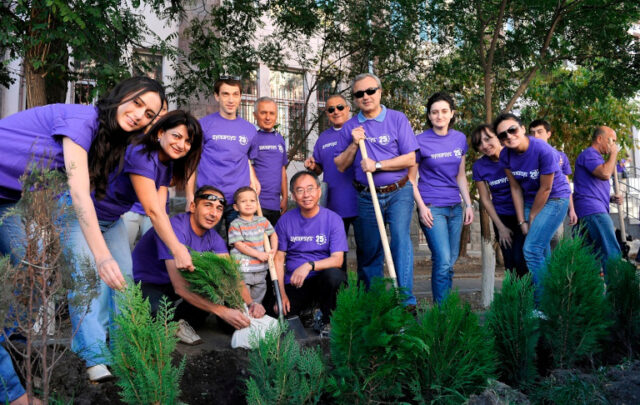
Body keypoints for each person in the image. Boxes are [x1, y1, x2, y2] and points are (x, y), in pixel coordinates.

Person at [68, 110, 202, 381]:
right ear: (160, 132)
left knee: (123, 283)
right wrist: (177, 248)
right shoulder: (142, 153)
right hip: (81, 215)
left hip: (111, 219)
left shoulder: (166, 165)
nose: (181, 144)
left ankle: (122, 352)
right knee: (89, 282)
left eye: (188, 142)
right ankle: (93, 358)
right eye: (177, 136)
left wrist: (175, 246)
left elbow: (161, 210)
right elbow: (152, 210)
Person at [133, 186, 265, 345]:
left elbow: (232, 276)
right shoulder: (174, 228)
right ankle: (169, 325)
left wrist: (250, 303)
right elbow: (180, 287)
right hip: (147, 284)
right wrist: (221, 311)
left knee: (217, 299)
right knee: (159, 310)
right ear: (193, 206)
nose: (213, 213)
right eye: (208, 205)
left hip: (181, 285)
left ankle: (177, 324)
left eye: (219, 208)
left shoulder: (214, 238)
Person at [334, 73, 418, 306]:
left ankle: (406, 302)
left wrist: (377, 165)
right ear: (355, 99)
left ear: (380, 92)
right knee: (370, 249)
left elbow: (410, 158)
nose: (366, 96)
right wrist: (353, 144)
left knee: (400, 241)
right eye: (359, 94)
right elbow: (341, 165)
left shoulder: (397, 119)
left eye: (370, 91)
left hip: (399, 191)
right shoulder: (350, 126)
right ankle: (373, 304)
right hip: (367, 196)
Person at [496, 113, 571, 301]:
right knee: (542, 252)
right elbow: (515, 187)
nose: (509, 136)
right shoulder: (505, 154)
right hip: (530, 200)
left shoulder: (542, 150)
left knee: (531, 249)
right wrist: (522, 219)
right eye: (503, 135)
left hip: (555, 198)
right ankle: (555, 298)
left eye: (512, 130)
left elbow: (546, 188)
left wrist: (533, 216)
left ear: (522, 129)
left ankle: (541, 305)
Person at [409, 92, 473, 303]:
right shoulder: (419, 140)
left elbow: (461, 175)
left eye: (444, 111)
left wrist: (469, 204)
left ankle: (445, 307)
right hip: (432, 206)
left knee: (450, 261)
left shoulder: (460, 138)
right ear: (429, 116)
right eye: (435, 112)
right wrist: (422, 207)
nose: (439, 116)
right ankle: (441, 312)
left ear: (452, 113)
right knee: (443, 260)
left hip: (455, 207)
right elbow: (411, 179)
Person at [274, 171, 348, 335]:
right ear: (293, 196)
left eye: (310, 189)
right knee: (281, 312)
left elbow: (338, 260)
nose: (306, 195)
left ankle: (327, 319)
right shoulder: (285, 221)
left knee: (334, 276)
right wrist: (281, 295)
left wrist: (309, 265)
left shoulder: (333, 219)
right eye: (300, 190)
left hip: (323, 280)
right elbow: (278, 259)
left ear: (319, 192)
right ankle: (309, 310)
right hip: (295, 283)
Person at [186, 76, 260, 236]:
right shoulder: (203, 125)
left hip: (238, 201)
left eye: (235, 94)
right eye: (225, 94)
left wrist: (254, 180)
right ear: (217, 96)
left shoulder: (249, 129)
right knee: (207, 250)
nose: (231, 99)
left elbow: (247, 159)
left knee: (241, 249)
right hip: (209, 200)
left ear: (240, 96)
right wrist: (189, 196)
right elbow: (192, 163)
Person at [305, 94, 358, 272]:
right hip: (334, 206)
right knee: (336, 255)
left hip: (361, 202)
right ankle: (341, 296)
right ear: (327, 113)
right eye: (331, 109)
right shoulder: (323, 139)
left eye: (340, 107)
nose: (336, 111)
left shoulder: (358, 130)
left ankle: (367, 295)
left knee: (367, 253)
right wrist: (313, 167)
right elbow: (319, 168)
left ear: (348, 109)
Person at [470, 124, 528, 277]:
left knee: (522, 259)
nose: (485, 146)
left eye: (488, 139)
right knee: (510, 263)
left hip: (525, 214)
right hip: (502, 218)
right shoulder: (479, 166)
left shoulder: (514, 156)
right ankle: (516, 299)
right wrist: (500, 227)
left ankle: (533, 298)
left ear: (498, 137)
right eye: (479, 144)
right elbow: (485, 199)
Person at [573, 126, 623, 269]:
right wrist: (613, 154)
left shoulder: (596, 158)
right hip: (593, 211)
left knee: (590, 257)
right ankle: (616, 289)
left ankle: (592, 291)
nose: (613, 145)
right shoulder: (589, 154)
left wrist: (610, 198)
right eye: (611, 141)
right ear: (600, 139)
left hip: (590, 209)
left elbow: (590, 188)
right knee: (611, 252)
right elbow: (605, 173)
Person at [122, 100, 169, 249]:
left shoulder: (168, 142)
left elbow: (166, 182)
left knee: (151, 254)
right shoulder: (132, 137)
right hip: (131, 208)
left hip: (156, 210)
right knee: (124, 251)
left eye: (164, 109)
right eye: (158, 109)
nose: (160, 113)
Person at [228, 187, 277, 304]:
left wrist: (273, 250)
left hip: (261, 270)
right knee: (243, 301)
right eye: (244, 201)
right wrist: (258, 254)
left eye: (252, 201)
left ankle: (254, 319)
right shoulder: (236, 224)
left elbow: (273, 234)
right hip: (243, 271)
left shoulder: (262, 221)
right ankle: (243, 318)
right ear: (236, 207)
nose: (248, 204)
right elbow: (239, 245)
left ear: (257, 204)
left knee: (257, 302)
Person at [529, 119, 578, 229]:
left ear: (548, 134)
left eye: (539, 132)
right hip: (534, 205)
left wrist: (572, 209)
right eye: (532, 133)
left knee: (555, 239)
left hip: (555, 203)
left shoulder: (561, 156)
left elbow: (566, 183)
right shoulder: (526, 157)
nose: (535, 136)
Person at [251, 97, 288, 226]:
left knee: (274, 243)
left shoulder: (280, 139)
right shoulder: (252, 138)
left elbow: (282, 170)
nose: (268, 117)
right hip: (257, 204)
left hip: (275, 204)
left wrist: (285, 197)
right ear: (255, 115)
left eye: (271, 113)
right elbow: (248, 168)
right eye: (263, 113)